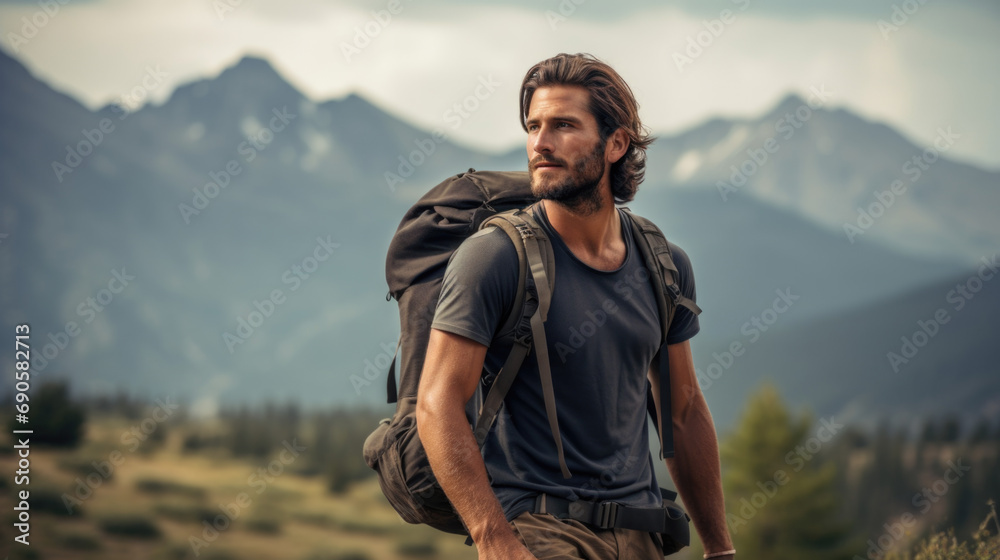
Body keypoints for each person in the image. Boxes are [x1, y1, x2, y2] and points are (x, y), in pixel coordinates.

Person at [416, 53, 735, 560]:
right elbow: (437, 406)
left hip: (642, 533)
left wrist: (720, 548)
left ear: (615, 143)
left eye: (563, 125)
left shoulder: (663, 265)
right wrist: (494, 539)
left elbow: (686, 410)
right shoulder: (494, 258)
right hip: (541, 532)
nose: (540, 144)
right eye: (533, 126)